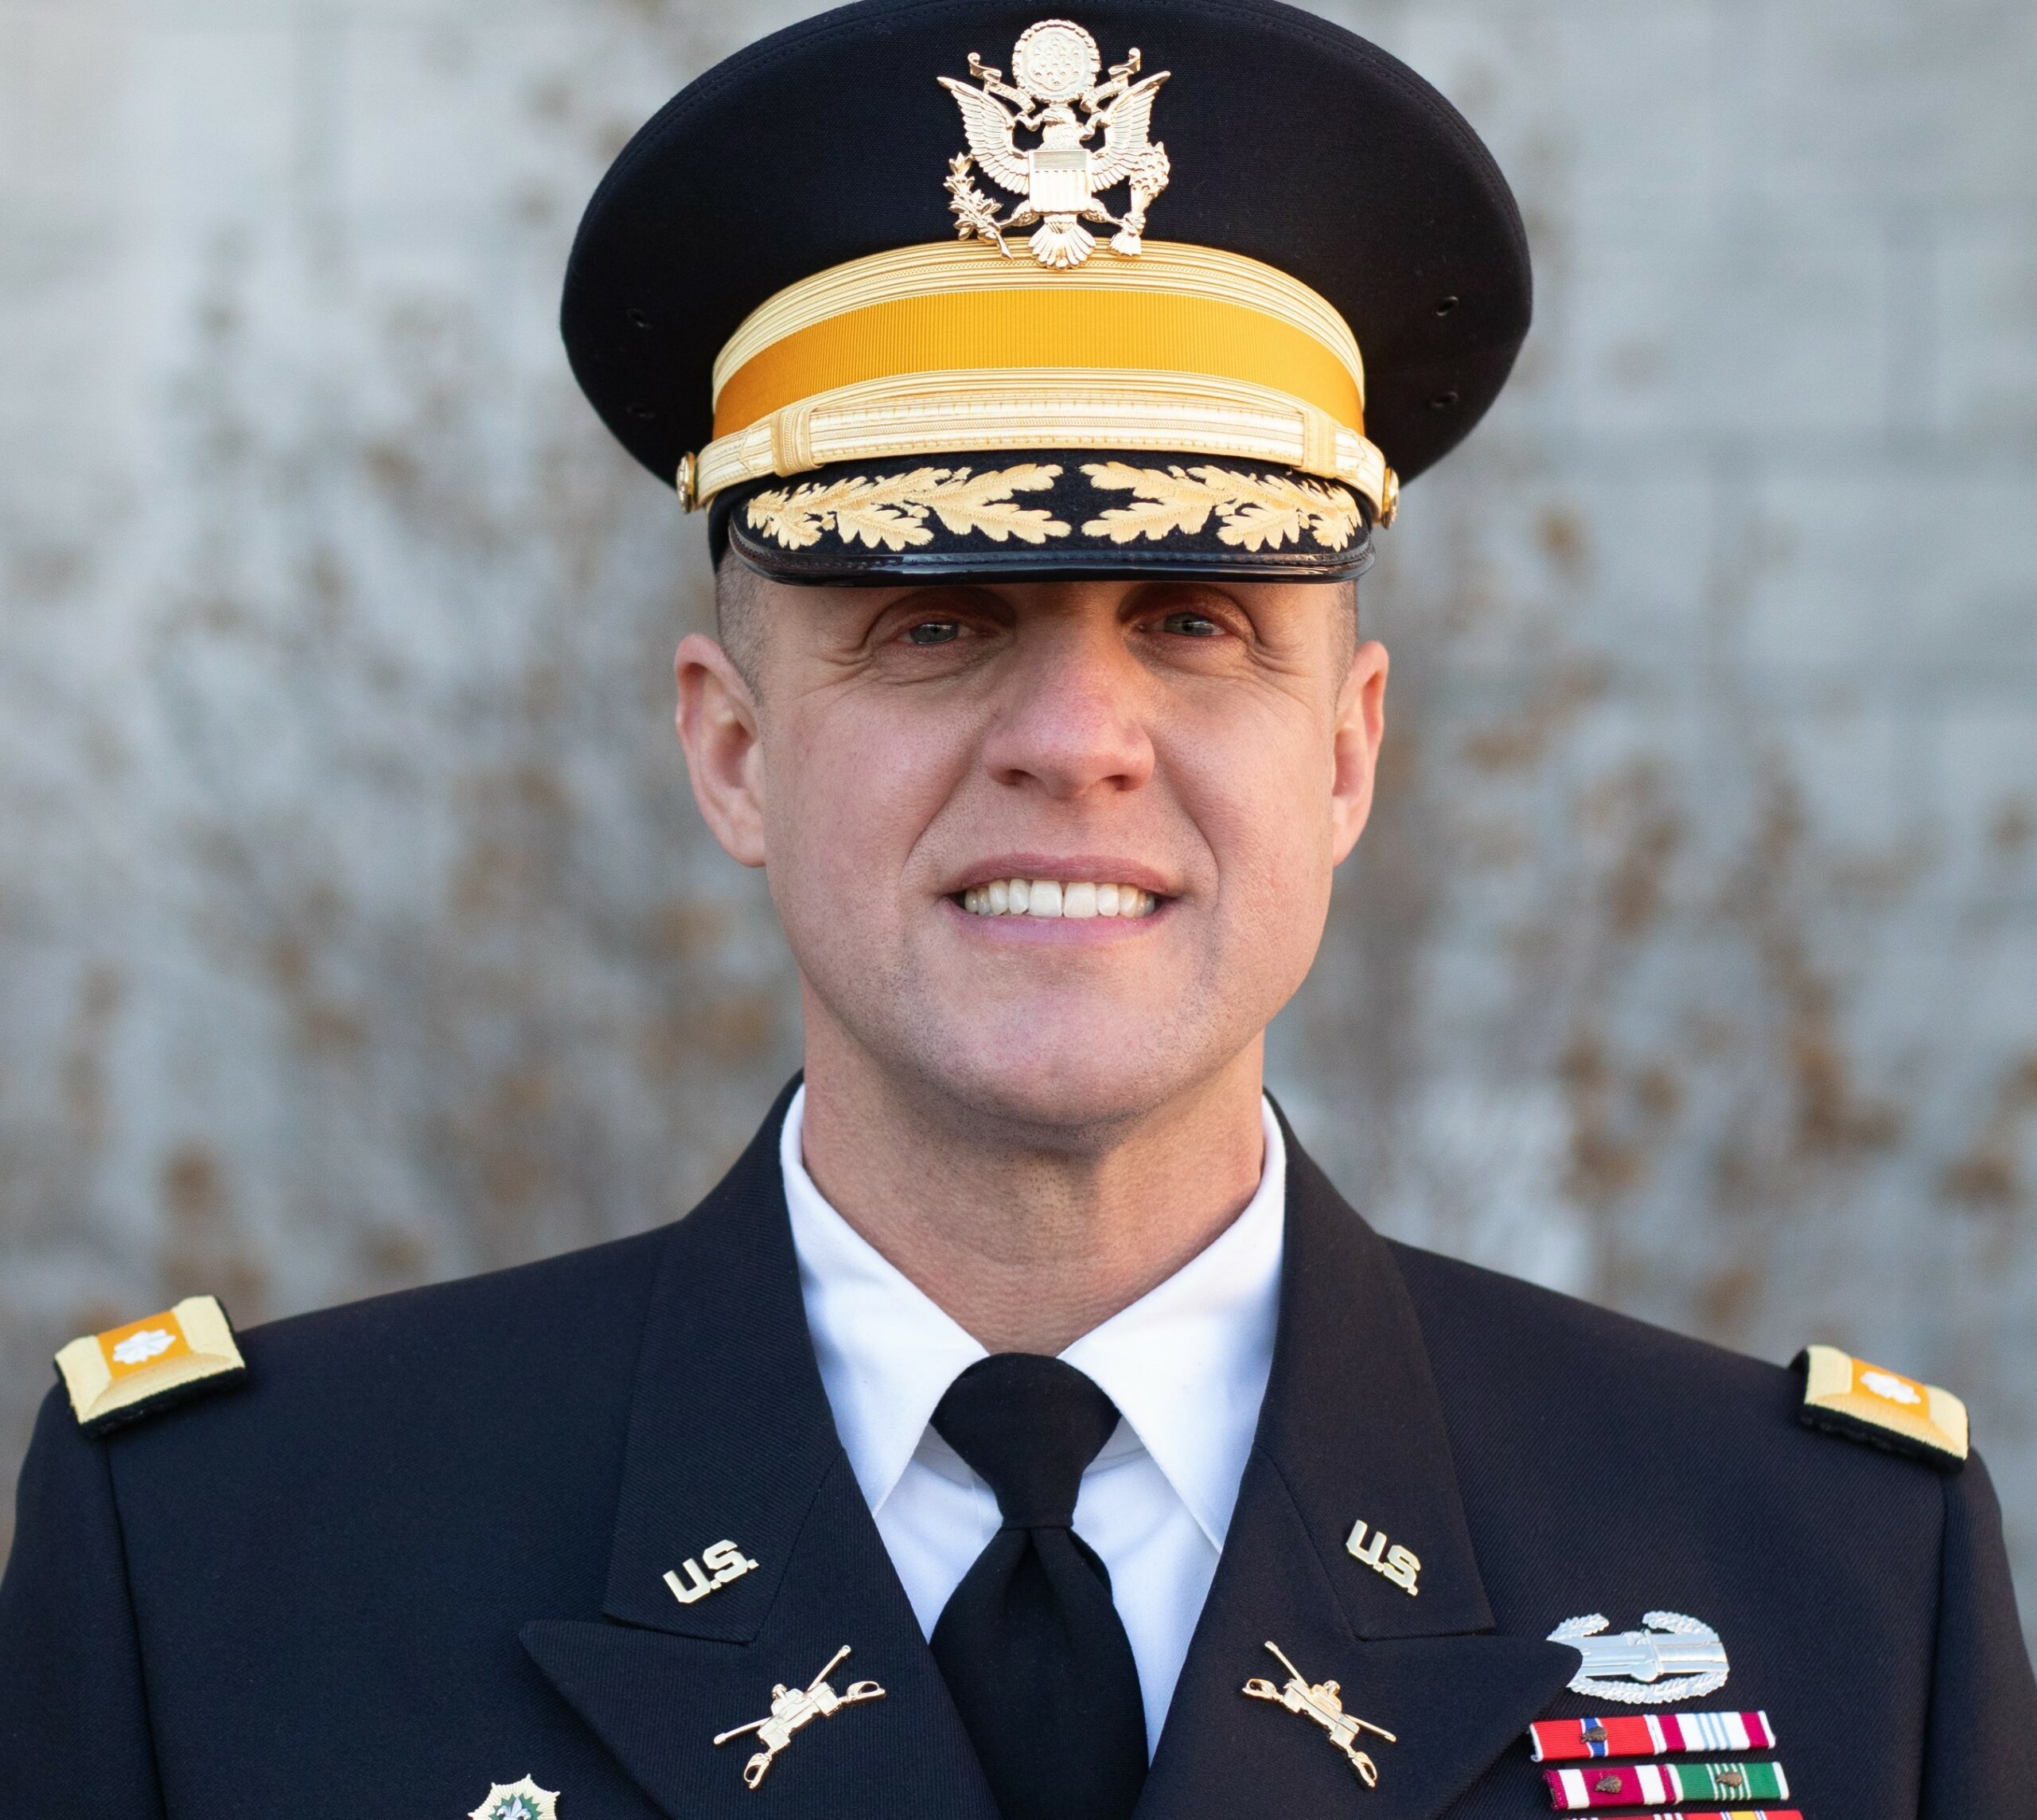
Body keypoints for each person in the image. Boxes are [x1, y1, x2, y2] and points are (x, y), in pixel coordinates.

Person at [2, 2, 2031, 1816]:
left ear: (1344, 752)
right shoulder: (223, 1561)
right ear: (732, 749)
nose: (1074, 739)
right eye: (936, 621)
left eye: (1195, 620)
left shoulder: (1827, 1580)